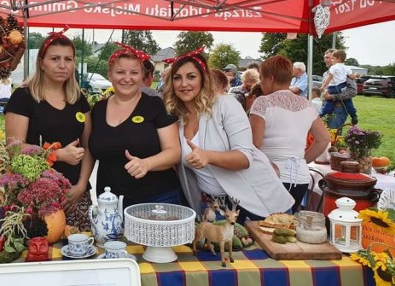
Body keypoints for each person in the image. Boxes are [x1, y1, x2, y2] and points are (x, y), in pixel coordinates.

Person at [161, 47, 293, 224]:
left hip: (257, 204)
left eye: (191, 77)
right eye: (177, 78)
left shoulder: (225, 105)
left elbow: (245, 158)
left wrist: (208, 156)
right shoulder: (176, 119)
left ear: (203, 79)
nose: (184, 83)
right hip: (212, 208)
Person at [5, 29, 93, 230]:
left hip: (74, 196)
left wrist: (81, 186)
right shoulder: (24, 97)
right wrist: (56, 155)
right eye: (55, 58)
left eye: (68, 59)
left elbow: (89, 147)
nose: (62, 65)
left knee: (78, 252)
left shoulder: (78, 99)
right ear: (42, 63)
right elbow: (13, 148)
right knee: (38, 253)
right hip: (34, 195)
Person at [89, 44, 182, 209]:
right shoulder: (98, 109)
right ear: (109, 74)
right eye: (120, 72)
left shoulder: (154, 105)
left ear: (142, 77)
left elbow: (174, 152)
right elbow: (90, 152)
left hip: (157, 199)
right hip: (110, 203)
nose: (127, 78)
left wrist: (147, 164)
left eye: (134, 73)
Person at [249, 56, 330, 213]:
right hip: (299, 177)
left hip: (270, 175)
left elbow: (255, 143)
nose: (261, 83)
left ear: (270, 78)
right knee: (285, 226)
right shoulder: (306, 105)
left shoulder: (262, 102)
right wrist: (301, 160)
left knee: (262, 228)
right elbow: (324, 139)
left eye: (261, 79)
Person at [321, 49, 357, 129]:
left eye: (328, 58)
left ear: (338, 59)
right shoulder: (325, 74)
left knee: (333, 137)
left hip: (338, 110)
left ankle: (353, 115)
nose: (325, 60)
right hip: (326, 108)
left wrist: (331, 97)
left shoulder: (345, 73)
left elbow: (352, 91)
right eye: (325, 57)